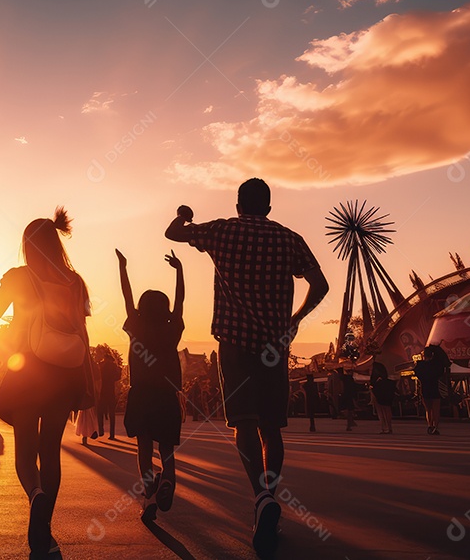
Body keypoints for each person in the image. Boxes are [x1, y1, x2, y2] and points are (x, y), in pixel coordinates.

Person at [165, 178, 328, 559]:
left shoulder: (222, 231)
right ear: (269, 208)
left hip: (235, 346)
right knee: (272, 427)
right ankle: (270, 494)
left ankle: (260, 498)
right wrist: (296, 318)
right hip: (274, 345)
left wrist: (184, 214)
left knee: (245, 423)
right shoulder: (289, 239)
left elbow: (173, 233)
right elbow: (319, 284)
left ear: (238, 205)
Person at [0, 207, 92, 558]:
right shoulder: (74, 280)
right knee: (50, 451)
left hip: (27, 370)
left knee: (25, 450)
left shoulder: (18, 276)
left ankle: (34, 496)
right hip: (64, 373)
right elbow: (79, 328)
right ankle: (46, 526)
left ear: (27, 245)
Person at [117, 248, 185, 522]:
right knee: (166, 448)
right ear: (167, 309)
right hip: (168, 394)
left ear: (141, 309)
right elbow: (180, 301)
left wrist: (123, 267)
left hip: (142, 394)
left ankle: (148, 489)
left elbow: (126, 295)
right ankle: (167, 479)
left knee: (144, 447)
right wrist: (180, 271)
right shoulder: (173, 326)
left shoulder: (136, 324)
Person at [413, 347, 444, 435]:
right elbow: (441, 372)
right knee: (436, 409)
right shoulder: (436, 365)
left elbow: (416, 372)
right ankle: (436, 426)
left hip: (425, 388)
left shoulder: (420, 365)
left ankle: (430, 425)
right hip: (434, 387)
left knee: (428, 409)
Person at [97, 350, 121, 440]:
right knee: (112, 414)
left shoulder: (101, 365)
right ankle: (112, 434)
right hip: (111, 391)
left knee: (100, 412)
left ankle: (101, 430)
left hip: (103, 391)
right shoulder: (114, 366)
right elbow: (117, 378)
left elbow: (98, 376)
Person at [370, 362, 395, 435]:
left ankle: (384, 427)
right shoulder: (382, 366)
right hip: (386, 387)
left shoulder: (374, 366)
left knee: (380, 409)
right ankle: (388, 427)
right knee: (386, 408)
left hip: (378, 389)